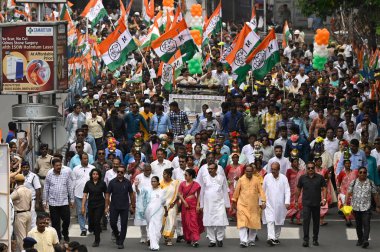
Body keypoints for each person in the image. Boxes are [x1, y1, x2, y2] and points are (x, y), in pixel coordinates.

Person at [232, 165, 266, 247]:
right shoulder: (241, 180)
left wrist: (263, 201)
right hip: (242, 205)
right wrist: (234, 201)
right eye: (247, 171)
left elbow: (261, 191)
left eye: (250, 171)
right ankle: (243, 241)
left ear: (253, 171)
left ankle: (251, 240)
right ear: (245, 171)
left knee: (253, 223)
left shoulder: (256, 180)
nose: (249, 172)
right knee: (242, 223)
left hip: (254, 205)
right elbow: (236, 192)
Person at [296, 161, 327, 247]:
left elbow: (324, 188)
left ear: (314, 169)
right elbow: (298, 189)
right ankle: (306, 240)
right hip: (306, 203)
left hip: (317, 204)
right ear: (306, 169)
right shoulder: (302, 178)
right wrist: (295, 201)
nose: (310, 169)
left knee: (316, 222)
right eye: (308, 168)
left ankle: (315, 239)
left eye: (312, 168)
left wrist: (324, 199)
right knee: (306, 222)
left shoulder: (320, 178)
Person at [346, 166, 378, 248]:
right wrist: (346, 204)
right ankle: (360, 239)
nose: (362, 174)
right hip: (356, 207)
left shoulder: (371, 183)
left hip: (366, 207)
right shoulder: (353, 182)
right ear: (358, 174)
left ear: (366, 174)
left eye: (364, 172)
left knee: (366, 223)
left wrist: (378, 205)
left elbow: (375, 194)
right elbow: (348, 193)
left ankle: (365, 240)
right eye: (360, 172)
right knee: (358, 225)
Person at [43, 159, 74, 242]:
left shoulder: (65, 173)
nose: (59, 167)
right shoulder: (49, 174)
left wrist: (72, 199)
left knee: (67, 220)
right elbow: (46, 188)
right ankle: (58, 238)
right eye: (57, 165)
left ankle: (65, 232)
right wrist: (44, 201)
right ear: (53, 166)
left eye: (60, 165)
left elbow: (69, 187)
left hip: (64, 201)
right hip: (53, 202)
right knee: (55, 222)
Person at [200, 163, 230, 247]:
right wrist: (201, 205)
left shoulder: (221, 178)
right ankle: (212, 240)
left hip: (219, 203)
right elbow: (201, 192)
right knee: (209, 223)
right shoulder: (205, 178)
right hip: (208, 204)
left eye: (212, 169)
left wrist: (227, 204)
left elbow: (224, 191)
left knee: (221, 222)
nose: (210, 170)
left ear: (216, 169)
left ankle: (220, 239)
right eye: (209, 169)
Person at [105, 165, 135, 249]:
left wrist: (133, 206)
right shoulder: (112, 182)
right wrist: (106, 207)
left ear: (124, 173)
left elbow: (131, 194)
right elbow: (107, 195)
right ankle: (117, 235)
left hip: (125, 207)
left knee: (124, 224)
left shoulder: (127, 182)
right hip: (114, 206)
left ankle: (121, 242)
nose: (119, 173)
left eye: (121, 172)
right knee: (112, 223)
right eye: (118, 172)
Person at [262, 162, 291, 246]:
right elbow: (262, 191)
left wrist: (287, 202)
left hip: (280, 205)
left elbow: (287, 190)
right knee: (270, 220)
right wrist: (262, 202)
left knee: (279, 222)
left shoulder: (284, 178)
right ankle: (271, 238)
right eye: (272, 169)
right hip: (269, 204)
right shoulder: (267, 177)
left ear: (279, 169)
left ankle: (276, 237)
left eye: (275, 169)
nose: (273, 171)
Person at [82, 168, 107, 247]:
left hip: (100, 204)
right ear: (91, 175)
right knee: (91, 222)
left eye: (96, 174)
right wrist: (83, 206)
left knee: (96, 221)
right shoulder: (88, 183)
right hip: (91, 204)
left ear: (99, 175)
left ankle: (97, 240)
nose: (95, 175)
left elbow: (106, 195)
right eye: (93, 174)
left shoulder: (102, 183)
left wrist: (106, 207)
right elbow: (85, 195)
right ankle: (95, 229)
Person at [178, 169, 202, 247]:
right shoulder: (182, 184)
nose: (185, 176)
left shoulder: (196, 184)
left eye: (186, 175)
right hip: (185, 206)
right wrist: (184, 202)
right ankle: (188, 238)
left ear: (191, 176)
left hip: (193, 204)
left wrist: (198, 205)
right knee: (186, 222)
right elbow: (179, 194)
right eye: (184, 175)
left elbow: (198, 196)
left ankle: (195, 240)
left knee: (193, 221)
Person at [72, 153, 95, 236]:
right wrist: (72, 196)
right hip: (78, 194)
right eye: (84, 158)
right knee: (80, 212)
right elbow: (73, 182)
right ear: (81, 159)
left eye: (87, 158)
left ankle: (91, 227)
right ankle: (83, 229)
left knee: (90, 212)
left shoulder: (92, 168)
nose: (86, 160)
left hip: (90, 194)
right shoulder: (75, 169)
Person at [143, 176, 166, 251]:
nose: (153, 183)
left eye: (154, 181)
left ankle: (155, 243)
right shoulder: (148, 191)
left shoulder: (162, 191)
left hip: (158, 212)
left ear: (158, 182)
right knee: (151, 227)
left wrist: (166, 210)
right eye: (152, 181)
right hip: (149, 212)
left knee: (157, 228)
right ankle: (154, 245)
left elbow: (164, 202)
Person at [11, 174, 32, 251]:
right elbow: (30, 204)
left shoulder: (17, 191)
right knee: (28, 236)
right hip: (28, 213)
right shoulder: (29, 190)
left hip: (20, 215)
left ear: (16, 181)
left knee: (21, 237)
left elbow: (8, 199)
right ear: (23, 181)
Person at [160, 168, 180, 246]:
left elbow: (178, 195)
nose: (163, 175)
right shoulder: (161, 184)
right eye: (163, 174)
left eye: (164, 174)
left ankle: (169, 238)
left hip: (172, 205)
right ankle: (165, 236)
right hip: (163, 206)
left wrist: (174, 203)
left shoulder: (176, 183)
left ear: (169, 175)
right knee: (164, 222)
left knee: (171, 221)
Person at [133, 164, 153, 244]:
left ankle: (149, 237)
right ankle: (143, 236)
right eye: (146, 170)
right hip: (141, 202)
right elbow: (134, 190)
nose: (148, 172)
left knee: (150, 221)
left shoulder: (154, 177)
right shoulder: (138, 177)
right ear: (143, 170)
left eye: (149, 170)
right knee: (142, 221)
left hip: (151, 201)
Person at [337, 159, 358, 226]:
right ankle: (348, 220)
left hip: (353, 192)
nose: (348, 165)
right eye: (346, 163)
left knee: (352, 206)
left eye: (349, 163)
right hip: (344, 192)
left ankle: (349, 217)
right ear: (344, 165)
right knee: (346, 205)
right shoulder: (342, 173)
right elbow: (339, 182)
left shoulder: (355, 172)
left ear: (350, 164)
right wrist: (338, 189)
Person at [21, 161, 42, 228]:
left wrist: (37, 203)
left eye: (27, 167)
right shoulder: (19, 176)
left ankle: (33, 234)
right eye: (24, 167)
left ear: (29, 167)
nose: (25, 169)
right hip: (21, 201)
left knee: (32, 217)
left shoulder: (33, 176)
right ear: (21, 168)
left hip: (32, 200)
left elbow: (38, 190)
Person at [286, 155, 304, 225]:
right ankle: (292, 218)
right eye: (295, 162)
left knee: (299, 203)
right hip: (291, 190)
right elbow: (286, 181)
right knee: (293, 205)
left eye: (297, 162)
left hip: (299, 190)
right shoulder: (289, 171)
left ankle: (298, 219)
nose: (297, 163)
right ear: (292, 163)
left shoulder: (301, 171)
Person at [225, 153, 245, 217]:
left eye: (237, 157)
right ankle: (231, 214)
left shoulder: (242, 167)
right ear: (232, 158)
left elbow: (244, 176)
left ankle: (238, 213)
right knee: (231, 199)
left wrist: (239, 179)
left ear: (238, 158)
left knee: (238, 198)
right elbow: (225, 176)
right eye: (234, 157)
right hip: (230, 185)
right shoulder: (228, 167)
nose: (235, 159)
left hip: (239, 185)